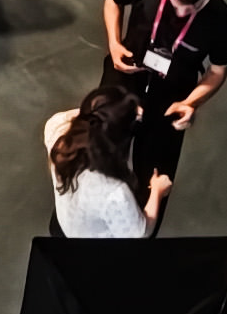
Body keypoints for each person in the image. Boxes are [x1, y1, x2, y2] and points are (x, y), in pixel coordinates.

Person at [101, 0, 227, 220]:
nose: (182, 12)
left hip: (172, 97)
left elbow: (218, 70)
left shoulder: (221, 20)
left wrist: (191, 103)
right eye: (177, 2)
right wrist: (114, 43)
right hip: (126, 76)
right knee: (99, 149)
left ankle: (140, 231)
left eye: (193, 7)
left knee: (154, 180)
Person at [45, 84, 150, 238]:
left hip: (67, 223)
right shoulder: (114, 191)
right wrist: (158, 190)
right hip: (94, 245)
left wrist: (122, 114)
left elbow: (91, 117)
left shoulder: (56, 126)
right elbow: (138, 234)